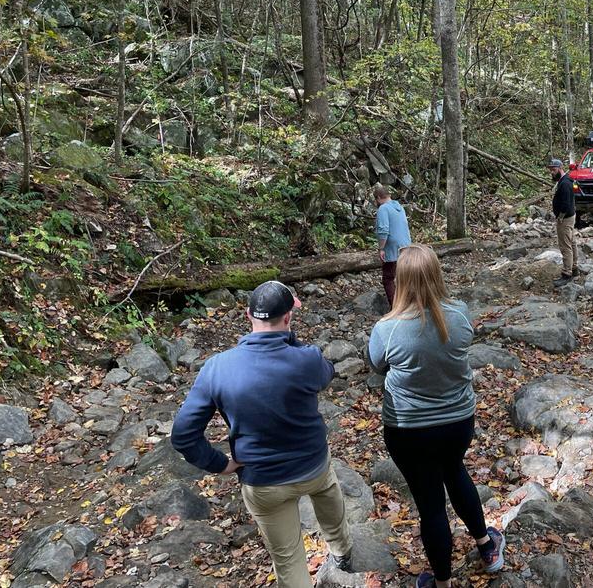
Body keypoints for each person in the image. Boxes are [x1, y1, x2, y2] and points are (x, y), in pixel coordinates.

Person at [171, 280, 352, 588]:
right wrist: (291, 341)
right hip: (312, 466)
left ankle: (334, 555)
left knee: (288, 559)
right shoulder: (306, 359)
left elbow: (183, 435)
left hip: (263, 480)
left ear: (248, 315)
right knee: (327, 490)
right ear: (288, 317)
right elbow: (327, 373)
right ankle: (342, 550)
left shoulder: (217, 368)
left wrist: (221, 464)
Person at [366, 244, 505, 588]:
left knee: (430, 502)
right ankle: (487, 548)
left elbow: (377, 364)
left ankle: (442, 583)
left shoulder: (387, 328)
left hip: (409, 429)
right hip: (457, 423)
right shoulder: (460, 315)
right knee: (455, 472)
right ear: (437, 275)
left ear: (401, 281)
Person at [373, 183, 412, 306]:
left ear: (379, 198)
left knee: (388, 278)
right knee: (404, 277)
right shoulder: (399, 207)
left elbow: (383, 230)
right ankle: (408, 303)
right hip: (406, 245)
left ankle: (396, 307)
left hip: (392, 248)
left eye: (376, 200)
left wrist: (381, 248)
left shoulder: (383, 208)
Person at [548, 158, 579, 286]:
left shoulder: (565, 183)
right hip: (570, 216)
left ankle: (567, 273)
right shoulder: (565, 180)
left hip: (565, 218)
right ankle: (574, 268)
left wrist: (560, 216)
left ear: (560, 168)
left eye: (554, 170)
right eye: (550, 170)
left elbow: (566, 203)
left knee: (565, 245)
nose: (552, 172)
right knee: (571, 242)